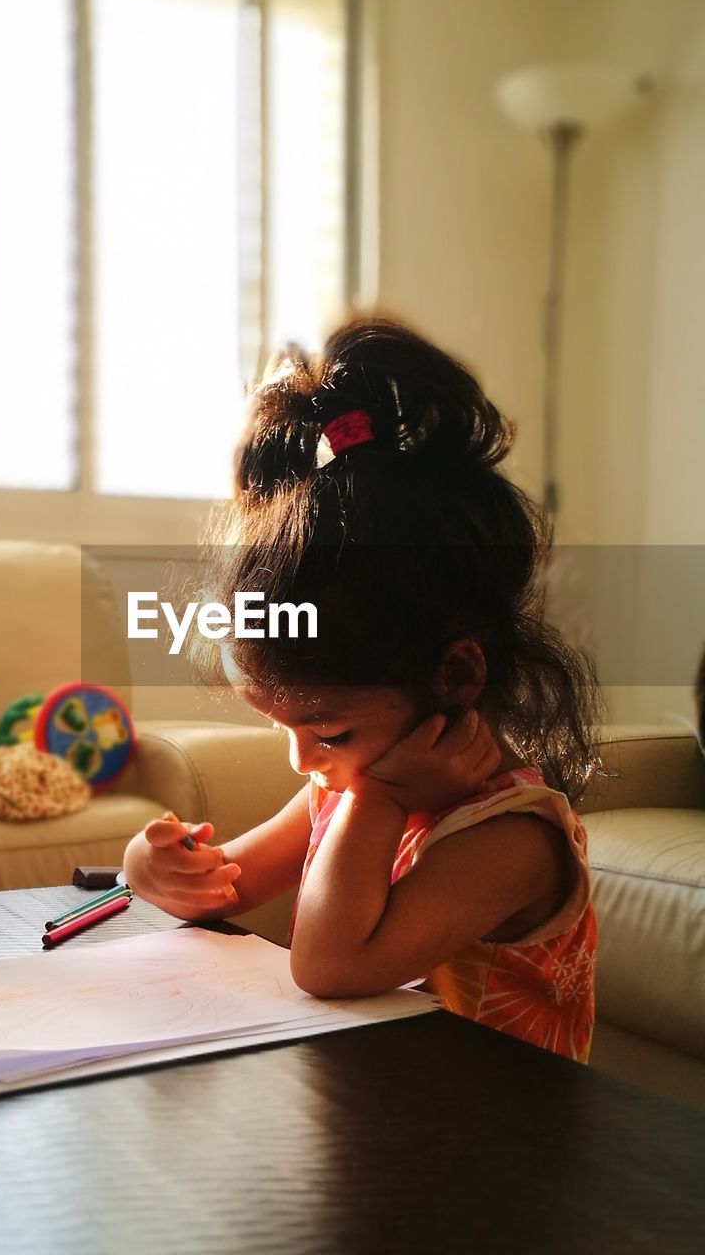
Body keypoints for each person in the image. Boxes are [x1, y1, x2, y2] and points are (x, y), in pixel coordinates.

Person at [123, 315, 602, 1061]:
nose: (302, 762)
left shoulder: (512, 838)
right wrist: (151, 868)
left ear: (456, 677)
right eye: (279, 725)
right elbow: (227, 885)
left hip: (499, 1158)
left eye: (329, 731)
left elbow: (330, 964)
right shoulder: (350, 780)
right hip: (375, 1131)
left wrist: (380, 797)